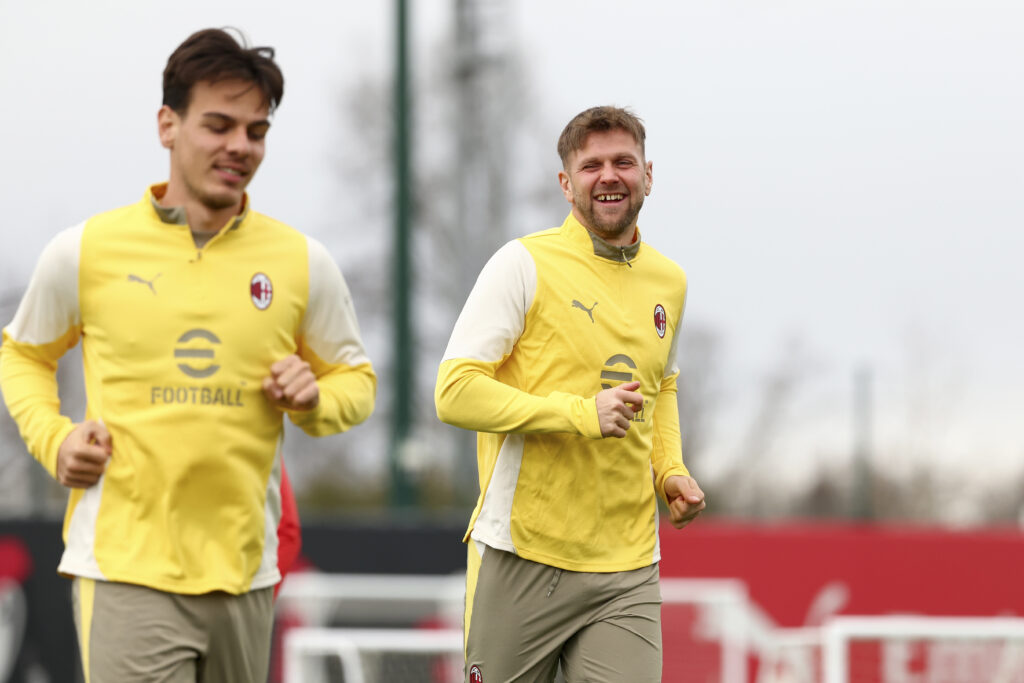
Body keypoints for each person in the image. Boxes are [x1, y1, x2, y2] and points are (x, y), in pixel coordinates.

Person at [0, 28, 375, 682]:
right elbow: (22, 354)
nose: (239, 146)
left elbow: (357, 382)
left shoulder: (302, 262)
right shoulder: (86, 251)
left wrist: (316, 397)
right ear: (167, 125)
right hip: (125, 567)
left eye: (256, 131)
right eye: (219, 125)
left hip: (246, 573)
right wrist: (54, 438)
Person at [435, 105, 706, 682]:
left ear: (648, 175)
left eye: (623, 162)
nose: (609, 176)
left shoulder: (670, 282)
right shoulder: (522, 264)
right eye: (592, 166)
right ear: (566, 183)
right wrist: (580, 414)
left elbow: (664, 386)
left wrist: (670, 470)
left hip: (627, 564)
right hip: (523, 555)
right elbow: (453, 393)